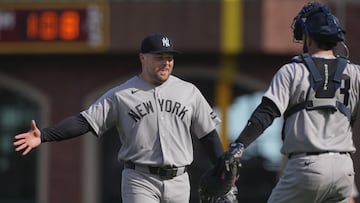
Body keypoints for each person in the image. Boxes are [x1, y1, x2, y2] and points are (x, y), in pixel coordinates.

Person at [13, 33, 225, 203]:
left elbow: (208, 134)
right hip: (140, 179)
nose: (166, 63)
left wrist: (223, 169)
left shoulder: (189, 92)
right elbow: (84, 121)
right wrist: (45, 135)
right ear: (143, 58)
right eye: (159, 57)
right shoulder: (121, 94)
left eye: (169, 57)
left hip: (179, 180)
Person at [227, 2, 358, 203]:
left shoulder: (292, 71)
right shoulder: (355, 73)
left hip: (307, 167)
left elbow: (266, 113)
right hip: (344, 170)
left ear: (308, 37)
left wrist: (239, 146)